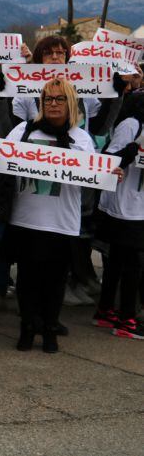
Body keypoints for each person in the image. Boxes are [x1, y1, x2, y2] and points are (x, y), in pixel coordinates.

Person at [0, 78, 120, 353]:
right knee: (27, 279)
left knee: (55, 280)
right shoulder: (23, 130)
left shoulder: (81, 137)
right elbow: (4, 163)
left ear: (71, 103)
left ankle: (51, 327)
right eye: (48, 99)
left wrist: (107, 173)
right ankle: (28, 326)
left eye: (60, 99)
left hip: (62, 222)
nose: (53, 104)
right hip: (25, 218)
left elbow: (90, 175)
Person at [93, 91, 144, 339]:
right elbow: (109, 160)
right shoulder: (132, 125)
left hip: (138, 205)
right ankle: (127, 320)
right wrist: (132, 151)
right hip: (125, 205)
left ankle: (105, 311)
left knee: (118, 260)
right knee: (131, 263)